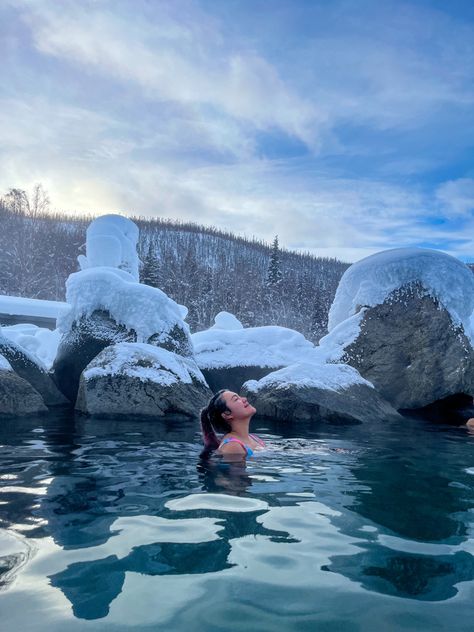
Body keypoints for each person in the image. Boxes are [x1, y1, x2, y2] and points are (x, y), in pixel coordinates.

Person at [200, 389, 265, 459]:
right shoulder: (232, 446)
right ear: (227, 414)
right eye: (236, 399)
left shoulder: (255, 438)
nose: (244, 399)